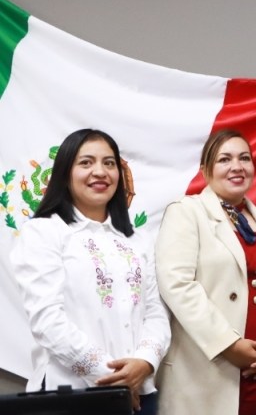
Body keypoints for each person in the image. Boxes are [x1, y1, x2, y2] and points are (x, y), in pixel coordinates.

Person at [10, 128, 170, 415]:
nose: (100, 172)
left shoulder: (136, 239)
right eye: (86, 162)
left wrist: (145, 362)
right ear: (65, 173)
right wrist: (113, 380)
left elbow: (156, 313)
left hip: (142, 393)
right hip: (72, 394)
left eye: (109, 163)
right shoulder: (43, 231)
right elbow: (48, 320)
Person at [155, 129, 256, 415]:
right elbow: (177, 286)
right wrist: (230, 345)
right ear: (205, 169)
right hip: (205, 370)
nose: (237, 166)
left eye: (244, 158)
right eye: (225, 159)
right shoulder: (186, 212)